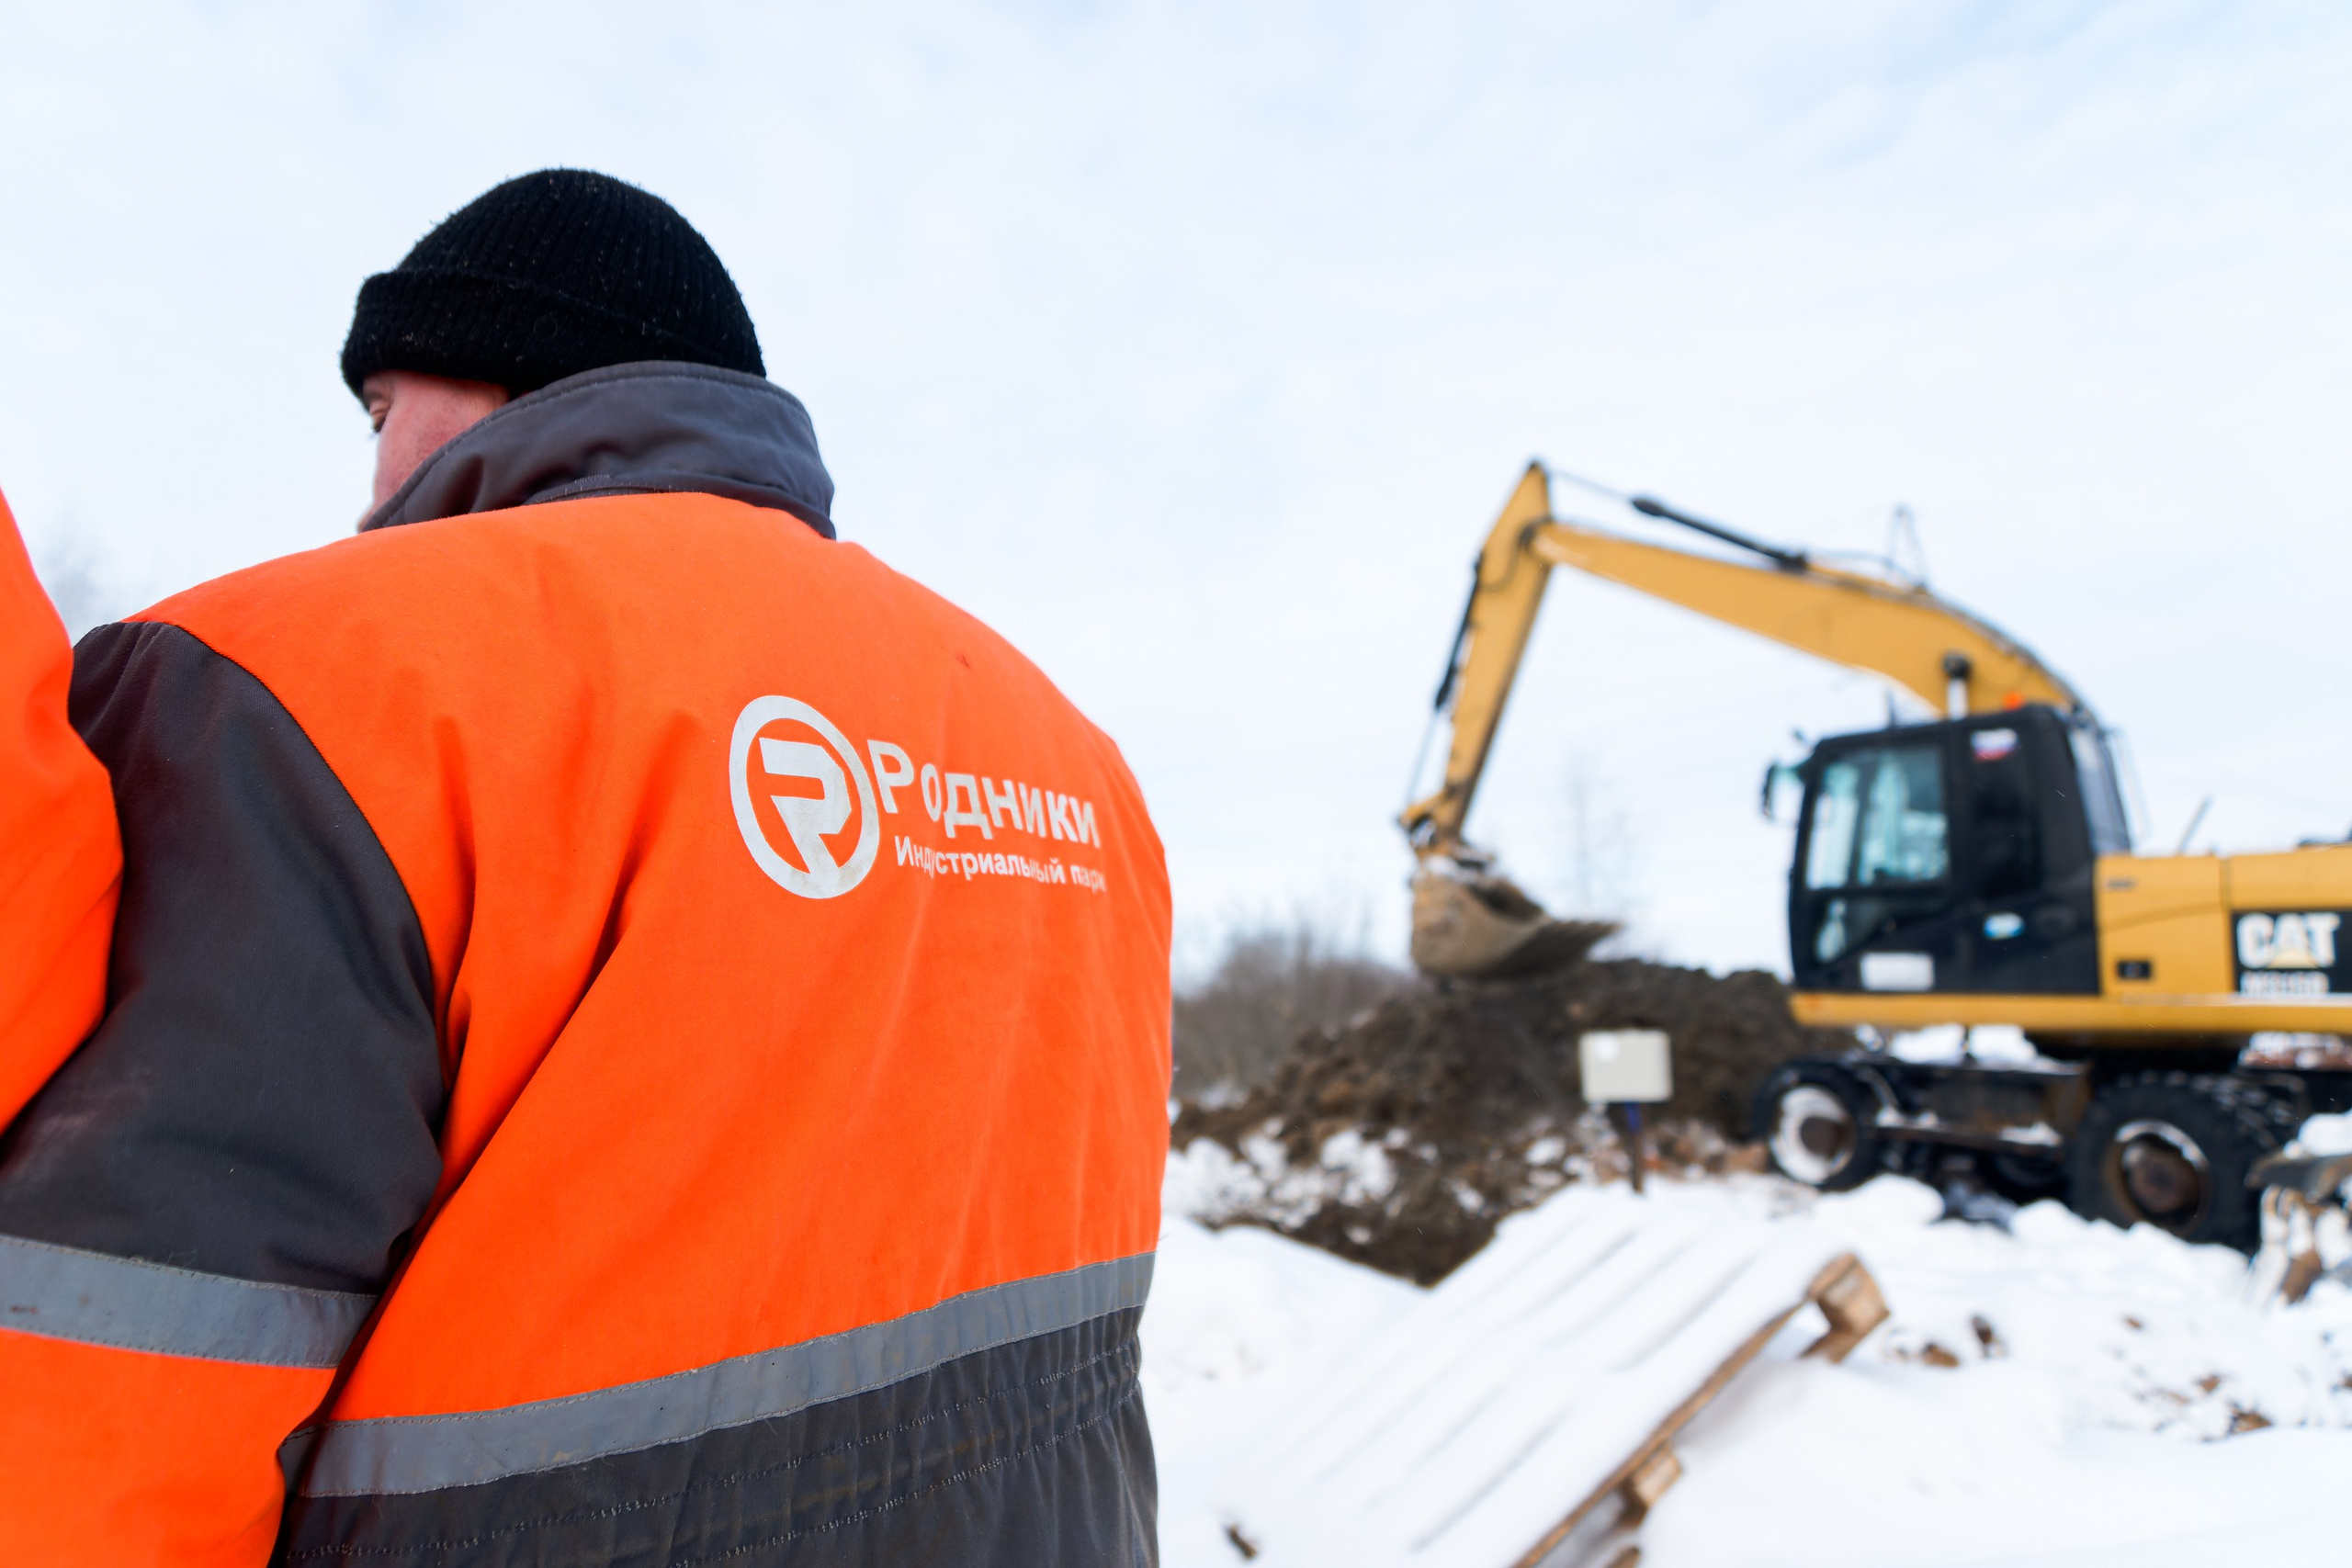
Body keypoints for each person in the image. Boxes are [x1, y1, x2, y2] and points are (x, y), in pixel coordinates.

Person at [0, 169, 1170, 1565]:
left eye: (378, 412)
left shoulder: (301, 688)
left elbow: (117, 1374)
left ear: (503, 369)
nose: (370, 484)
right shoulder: (1075, 762)